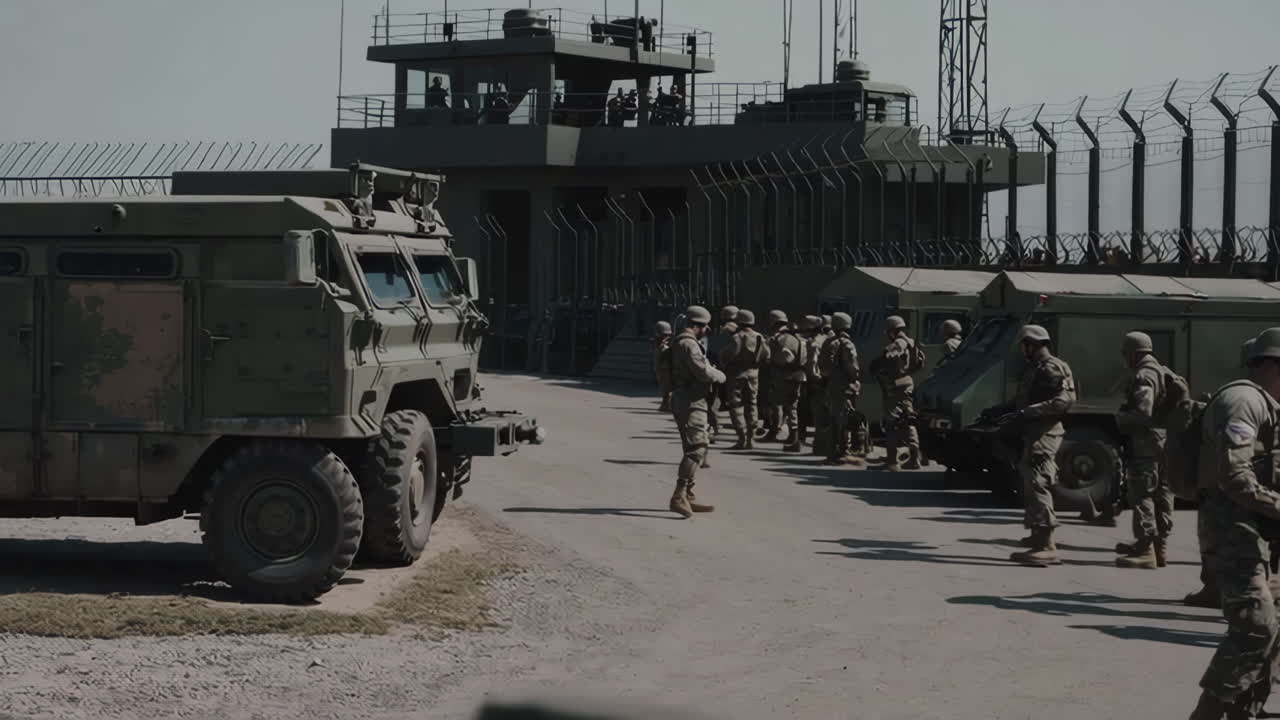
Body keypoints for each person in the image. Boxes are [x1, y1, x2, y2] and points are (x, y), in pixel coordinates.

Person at [1189, 328, 1280, 720]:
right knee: (1255, 630)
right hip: (1234, 533)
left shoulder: (1268, 403)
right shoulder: (1243, 400)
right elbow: (1235, 477)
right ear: (1272, 364)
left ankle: (1246, 711)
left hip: (1259, 531)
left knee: (1273, 631)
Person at [1185, 338, 1257, 610]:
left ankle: (1220, 590)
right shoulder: (1250, 396)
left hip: (1223, 480)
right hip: (1227, 479)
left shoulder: (1241, 398)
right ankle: (1215, 589)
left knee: (1216, 537)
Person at [998, 324, 1077, 567]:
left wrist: (1027, 412)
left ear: (1032, 344)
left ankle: (1046, 545)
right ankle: (1037, 535)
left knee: (1038, 482)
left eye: (1024, 345)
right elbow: (1025, 397)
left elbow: (1065, 401)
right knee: (1030, 482)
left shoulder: (1053, 367)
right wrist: (1003, 409)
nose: (1023, 350)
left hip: (1044, 433)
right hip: (1033, 432)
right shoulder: (1037, 368)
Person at [1113, 331, 1175, 569]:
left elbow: (1143, 412)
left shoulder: (1144, 375)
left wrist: (1121, 418)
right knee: (1162, 495)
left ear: (1135, 353)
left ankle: (1145, 549)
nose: (1125, 358)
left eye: (1126, 353)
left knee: (1142, 494)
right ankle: (1160, 549)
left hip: (1147, 444)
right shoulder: (1165, 371)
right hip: (1166, 442)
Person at [667, 306, 726, 519]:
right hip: (691, 400)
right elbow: (701, 371)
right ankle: (679, 495)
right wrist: (719, 375)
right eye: (705, 326)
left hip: (688, 399)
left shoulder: (680, 342)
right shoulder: (688, 344)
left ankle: (688, 494)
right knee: (697, 448)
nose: (707, 329)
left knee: (692, 447)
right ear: (696, 325)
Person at [874, 315, 924, 471]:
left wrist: (883, 359)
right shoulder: (912, 342)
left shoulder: (899, 343)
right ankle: (915, 458)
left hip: (896, 385)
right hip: (907, 382)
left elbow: (890, 356)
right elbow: (919, 363)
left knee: (891, 423)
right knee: (907, 420)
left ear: (892, 331)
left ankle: (892, 461)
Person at [719, 309, 769, 450]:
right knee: (752, 405)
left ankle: (741, 438)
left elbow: (727, 355)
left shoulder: (737, 337)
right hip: (754, 374)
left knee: (736, 406)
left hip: (737, 374)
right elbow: (767, 355)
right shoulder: (760, 337)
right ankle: (750, 439)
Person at [822, 312, 865, 467]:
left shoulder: (828, 342)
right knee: (844, 421)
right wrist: (856, 379)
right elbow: (852, 367)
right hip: (845, 386)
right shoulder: (846, 343)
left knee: (833, 420)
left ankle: (831, 453)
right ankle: (842, 453)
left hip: (832, 385)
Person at [766, 310, 808, 452]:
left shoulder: (782, 338)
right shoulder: (798, 337)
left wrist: (773, 360)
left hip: (784, 376)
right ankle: (793, 437)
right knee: (792, 407)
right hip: (797, 375)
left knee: (787, 407)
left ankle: (793, 439)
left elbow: (783, 357)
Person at [806, 315, 832, 457]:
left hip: (820, 383)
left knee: (819, 416)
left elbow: (812, 365)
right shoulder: (838, 340)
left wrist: (815, 379)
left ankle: (820, 448)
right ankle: (830, 447)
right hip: (834, 383)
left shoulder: (817, 341)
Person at [653, 321, 674, 412]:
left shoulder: (666, 347)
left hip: (666, 370)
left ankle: (667, 404)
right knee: (664, 386)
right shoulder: (660, 345)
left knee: (667, 387)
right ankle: (665, 403)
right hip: (661, 370)